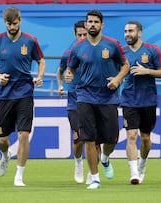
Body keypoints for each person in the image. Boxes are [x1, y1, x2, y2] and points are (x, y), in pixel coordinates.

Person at [65, 9, 130, 190]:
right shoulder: (77, 48)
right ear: (85, 24)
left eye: (95, 22)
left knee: (111, 139)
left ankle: (105, 158)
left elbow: (126, 65)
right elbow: (71, 68)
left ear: (102, 25)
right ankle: (94, 178)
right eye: (89, 22)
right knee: (89, 139)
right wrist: (69, 75)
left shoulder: (112, 45)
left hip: (108, 97)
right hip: (85, 96)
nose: (92, 24)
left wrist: (117, 79)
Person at [0, 7, 45, 187]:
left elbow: (41, 61)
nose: (12, 27)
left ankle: (19, 176)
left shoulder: (30, 41)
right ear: (5, 23)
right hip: (4, 95)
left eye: (15, 23)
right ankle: (5, 155)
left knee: (24, 135)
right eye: (9, 24)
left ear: (20, 20)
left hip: (25, 93)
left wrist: (40, 76)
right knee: (2, 140)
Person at [121, 20, 161, 185]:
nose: (127, 34)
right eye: (125, 31)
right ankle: (134, 173)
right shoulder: (121, 52)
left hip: (148, 100)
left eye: (131, 31)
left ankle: (142, 162)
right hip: (128, 100)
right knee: (131, 136)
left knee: (146, 138)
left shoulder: (152, 50)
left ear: (139, 33)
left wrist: (146, 71)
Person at [56, 20, 88, 184]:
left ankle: (93, 170)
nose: (82, 37)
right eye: (79, 35)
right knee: (78, 138)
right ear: (75, 35)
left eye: (85, 34)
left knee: (93, 139)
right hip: (74, 101)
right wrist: (61, 85)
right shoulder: (69, 53)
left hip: (93, 99)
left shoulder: (96, 51)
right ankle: (78, 163)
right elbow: (60, 71)